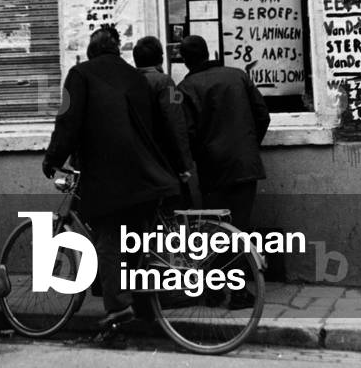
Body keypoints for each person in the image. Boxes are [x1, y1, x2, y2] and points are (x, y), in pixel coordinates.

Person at [43, 28, 180, 341]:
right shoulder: (136, 78)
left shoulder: (80, 75)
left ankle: (118, 310)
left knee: (108, 241)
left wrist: (53, 159)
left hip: (108, 175)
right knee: (135, 244)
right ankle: (142, 308)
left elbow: (67, 121)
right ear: (117, 50)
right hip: (147, 175)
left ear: (92, 51)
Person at [178, 35, 270, 232]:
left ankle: (230, 263)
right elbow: (262, 115)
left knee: (216, 231)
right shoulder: (238, 75)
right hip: (245, 165)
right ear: (207, 52)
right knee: (239, 228)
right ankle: (245, 262)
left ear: (185, 60)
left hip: (213, 169)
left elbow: (188, 133)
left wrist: (193, 160)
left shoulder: (185, 88)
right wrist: (249, 146)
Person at [132, 35, 194, 186]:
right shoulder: (166, 82)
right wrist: (184, 164)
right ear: (160, 58)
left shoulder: (128, 81)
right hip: (164, 159)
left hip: (138, 160)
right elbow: (175, 120)